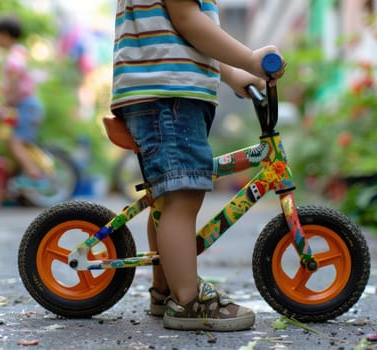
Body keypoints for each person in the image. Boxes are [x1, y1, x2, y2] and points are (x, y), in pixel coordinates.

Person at [111, 0, 285, 331]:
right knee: (182, 197)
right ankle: (188, 302)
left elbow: (196, 36)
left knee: (168, 197)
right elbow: (188, 21)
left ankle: (166, 291)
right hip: (168, 95)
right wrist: (250, 58)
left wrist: (234, 76)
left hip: (166, 93)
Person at [0, 16, 46, 190]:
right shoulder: (19, 52)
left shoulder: (14, 55)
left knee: (15, 143)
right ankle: (35, 172)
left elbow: (15, 78)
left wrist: (5, 102)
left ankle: (35, 176)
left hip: (25, 105)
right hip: (27, 105)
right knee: (23, 144)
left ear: (5, 35)